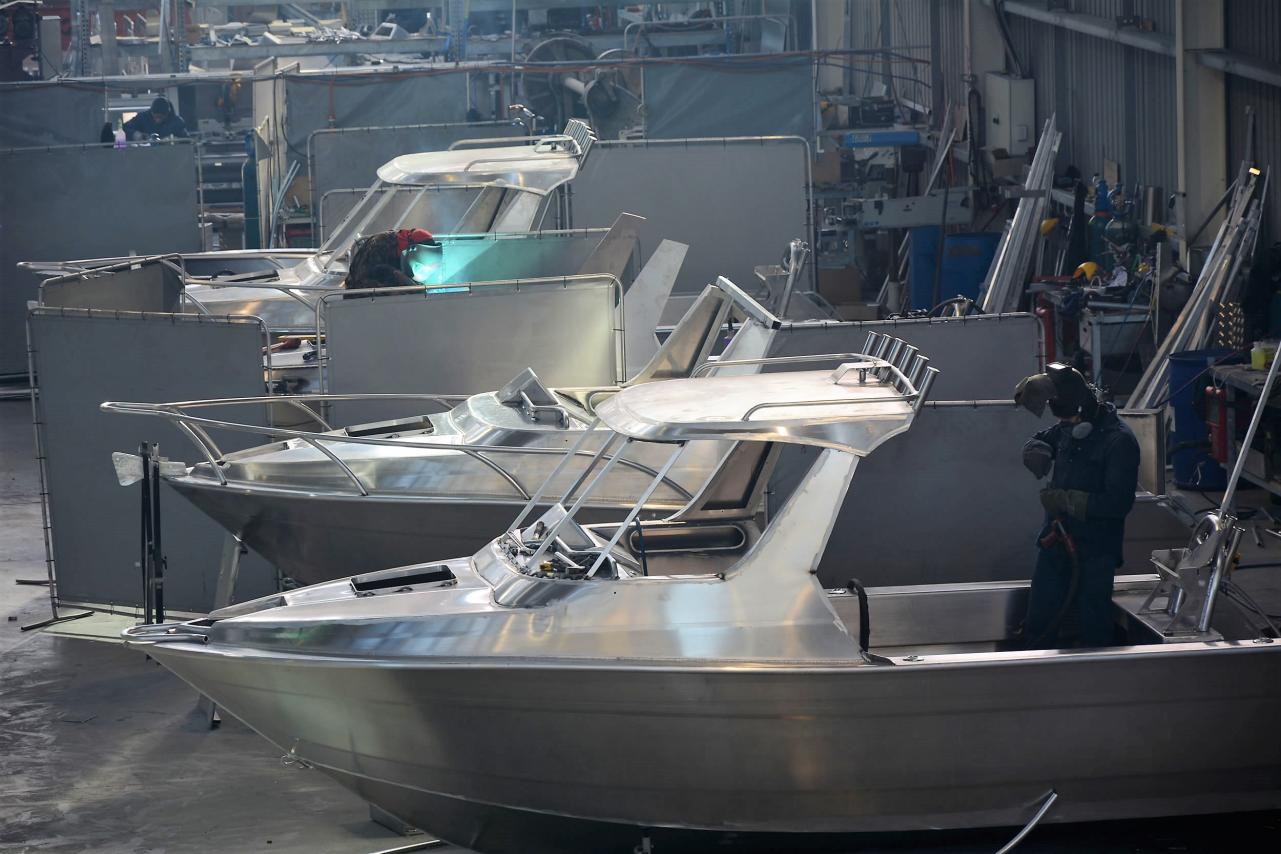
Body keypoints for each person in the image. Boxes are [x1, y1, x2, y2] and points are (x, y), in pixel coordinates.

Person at [1014, 363, 1140, 648]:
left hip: (1095, 550)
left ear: (1084, 413)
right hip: (1056, 541)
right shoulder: (1069, 426)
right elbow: (1048, 436)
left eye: (1070, 421)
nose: (1066, 427)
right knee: (1039, 617)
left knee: (1093, 624)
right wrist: (1036, 448)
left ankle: (1096, 684)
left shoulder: (1119, 442)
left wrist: (1066, 500)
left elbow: (1118, 504)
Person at [343, 228, 439, 290]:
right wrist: (394, 273)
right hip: (361, 293)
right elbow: (362, 276)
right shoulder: (380, 244)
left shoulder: (408, 252)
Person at [123, 97, 189, 140]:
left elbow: (187, 140)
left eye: (160, 117)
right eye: (155, 117)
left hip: (170, 154)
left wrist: (176, 140)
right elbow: (125, 128)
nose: (157, 120)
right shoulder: (142, 118)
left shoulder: (176, 122)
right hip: (145, 154)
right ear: (151, 112)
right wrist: (135, 134)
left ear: (167, 114)